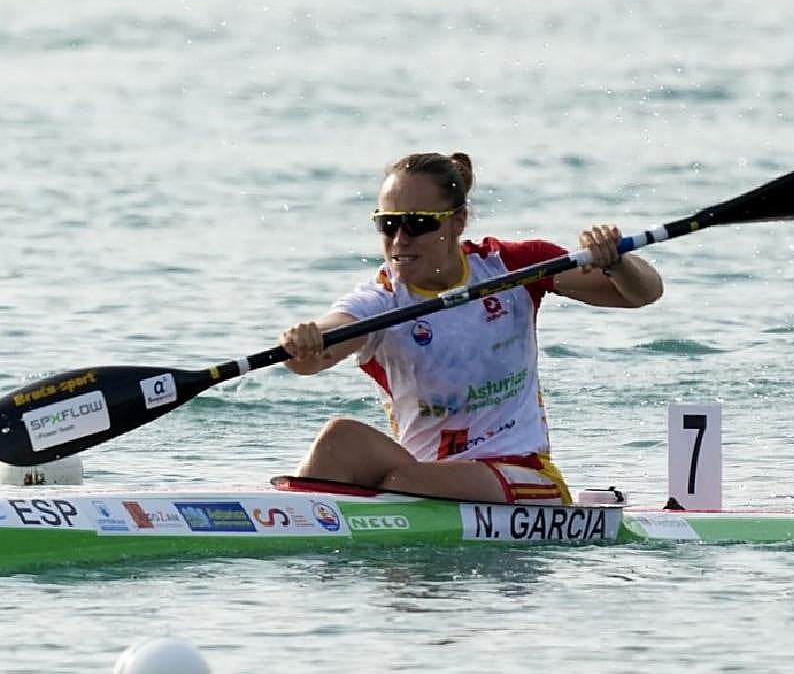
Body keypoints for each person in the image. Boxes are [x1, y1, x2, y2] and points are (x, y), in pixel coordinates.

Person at [278, 151, 663, 504]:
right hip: (422, 476)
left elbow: (640, 293)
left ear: (457, 222)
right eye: (388, 224)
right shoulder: (380, 300)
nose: (399, 240)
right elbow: (315, 355)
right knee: (339, 439)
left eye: (417, 224)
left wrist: (617, 261)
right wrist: (306, 340)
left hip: (521, 474)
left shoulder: (513, 267)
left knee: (405, 484)